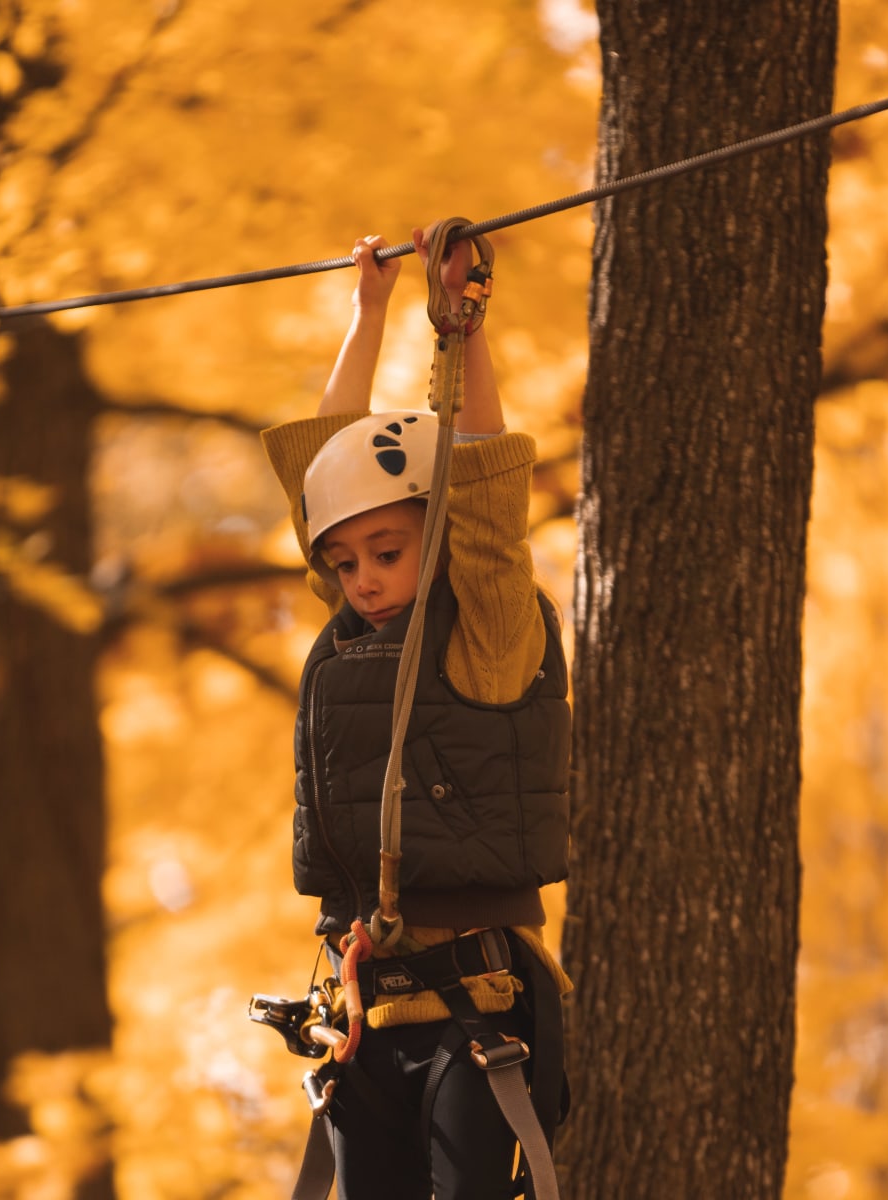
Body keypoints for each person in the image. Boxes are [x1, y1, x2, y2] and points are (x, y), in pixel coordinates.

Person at [261, 224, 572, 1200]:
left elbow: (485, 490)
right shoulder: (355, 637)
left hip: (477, 1006)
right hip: (368, 1008)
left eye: (388, 554)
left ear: (432, 539)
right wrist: (368, 312)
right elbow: (324, 472)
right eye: (345, 563)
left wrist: (463, 325)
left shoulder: (485, 632)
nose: (362, 580)